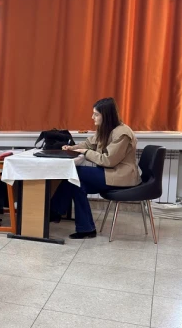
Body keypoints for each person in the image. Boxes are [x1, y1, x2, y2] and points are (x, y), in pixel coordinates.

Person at [50, 97, 140, 239]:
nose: (93, 117)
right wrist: (72, 148)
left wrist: (85, 152)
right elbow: (88, 144)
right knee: (77, 184)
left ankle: (53, 211)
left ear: (106, 115)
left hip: (121, 177)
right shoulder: (105, 130)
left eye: (96, 114)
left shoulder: (122, 133)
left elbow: (108, 160)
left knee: (76, 172)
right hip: (110, 174)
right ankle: (86, 229)